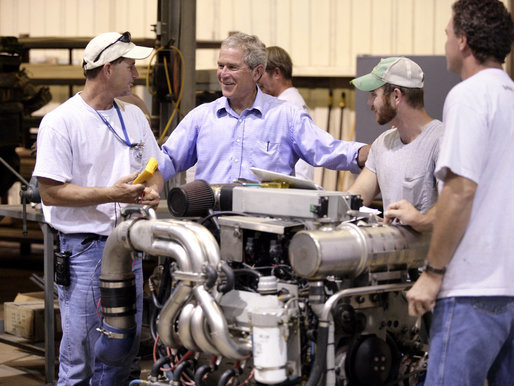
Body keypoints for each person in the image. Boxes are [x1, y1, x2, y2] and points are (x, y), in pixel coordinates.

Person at [33, 31, 164, 385]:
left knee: (121, 353)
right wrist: (111, 194)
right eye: (130, 66)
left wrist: (152, 190)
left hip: (128, 249)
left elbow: (155, 170)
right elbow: (51, 192)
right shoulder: (62, 122)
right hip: (85, 252)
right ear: (108, 69)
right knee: (83, 358)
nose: (136, 74)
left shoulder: (133, 116)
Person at [405, 1, 514, 384]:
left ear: (464, 41)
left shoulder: (468, 96)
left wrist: (433, 274)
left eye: (448, 34)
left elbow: (461, 190)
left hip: (473, 291)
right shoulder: (510, 96)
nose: (446, 41)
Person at [159, 32, 370, 184]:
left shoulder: (285, 116)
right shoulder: (202, 117)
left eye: (232, 67)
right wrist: (144, 182)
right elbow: (168, 158)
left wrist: (369, 153)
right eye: (221, 65)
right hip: (210, 229)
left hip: (266, 232)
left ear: (257, 72)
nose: (223, 74)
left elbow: (327, 149)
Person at [347, 57, 443, 218]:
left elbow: (453, 206)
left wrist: (421, 220)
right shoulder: (383, 143)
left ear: (396, 96)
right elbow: (354, 199)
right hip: (393, 243)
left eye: (373, 94)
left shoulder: (441, 141)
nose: (369, 102)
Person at [257, 45, 314, 181]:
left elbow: (301, 163)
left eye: (261, 73)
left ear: (277, 73)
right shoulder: (290, 102)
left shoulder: (287, 107)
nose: (257, 79)